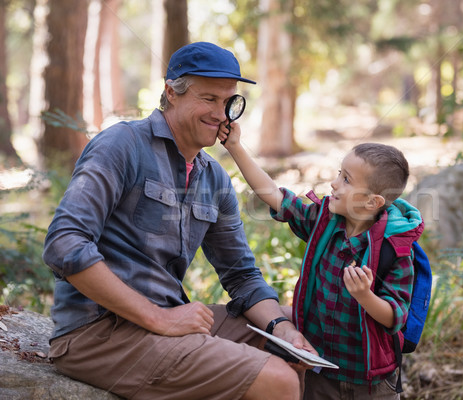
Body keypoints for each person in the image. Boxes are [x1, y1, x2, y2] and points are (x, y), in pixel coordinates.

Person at [42, 41, 316, 400]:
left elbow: (242, 275)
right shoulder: (122, 144)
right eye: (209, 99)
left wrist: (281, 328)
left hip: (167, 322)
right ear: (172, 92)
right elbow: (65, 244)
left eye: (228, 102)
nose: (222, 114)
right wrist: (159, 319)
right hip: (98, 332)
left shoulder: (213, 177)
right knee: (279, 379)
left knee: (302, 328)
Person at [220, 124, 424, 399]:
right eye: (340, 174)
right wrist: (235, 146)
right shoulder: (323, 222)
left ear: (373, 202)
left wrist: (364, 295)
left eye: (347, 180)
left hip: (372, 383)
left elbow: (395, 316)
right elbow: (274, 196)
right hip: (320, 372)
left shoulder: (394, 250)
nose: (334, 183)